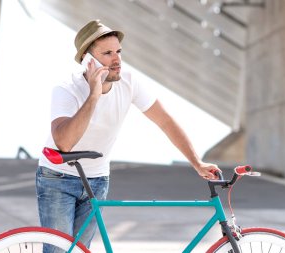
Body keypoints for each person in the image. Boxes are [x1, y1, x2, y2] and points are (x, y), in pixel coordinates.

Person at [36, 19, 221, 252]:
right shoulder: (67, 90)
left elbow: (165, 121)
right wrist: (94, 94)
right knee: (58, 250)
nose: (117, 59)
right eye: (107, 53)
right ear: (88, 60)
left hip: (98, 180)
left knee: (81, 250)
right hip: (58, 177)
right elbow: (64, 142)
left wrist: (197, 162)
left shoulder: (129, 82)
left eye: (119, 51)